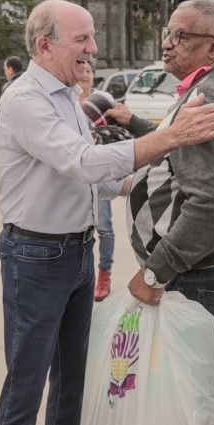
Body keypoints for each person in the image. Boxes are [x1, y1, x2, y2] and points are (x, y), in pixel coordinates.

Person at [0, 0, 214, 425]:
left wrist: (148, 184)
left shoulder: (67, 95)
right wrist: (169, 137)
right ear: (44, 46)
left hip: (77, 254)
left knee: (74, 375)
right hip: (35, 256)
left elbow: (96, 179)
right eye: (82, 38)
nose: (93, 48)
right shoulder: (25, 100)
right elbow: (84, 161)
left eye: (93, 36)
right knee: (26, 379)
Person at [113, 0, 214, 425]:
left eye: (180, 36)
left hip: (204, 279)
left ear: (213, 48)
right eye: (167, 32)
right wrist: (135, 123)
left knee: (193, 404)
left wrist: (154, 272)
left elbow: (212, 203)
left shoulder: (208, 97)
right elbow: (178, 142)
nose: (166, 44)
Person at [76, 60, 117, 302]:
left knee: (104, 227)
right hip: (73, 175)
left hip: (99, 172)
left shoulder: (103, 100)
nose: (86, 75)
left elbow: (115, 134)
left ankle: (105, 272)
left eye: (90, 71)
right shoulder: (67, 101)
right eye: (82, 70)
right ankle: (83, 274)